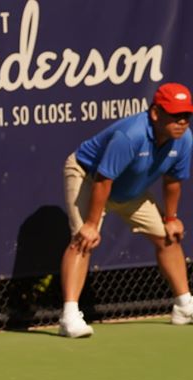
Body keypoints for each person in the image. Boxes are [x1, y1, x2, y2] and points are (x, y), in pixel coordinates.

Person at [58, 82, 193, 338]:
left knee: (168, 236)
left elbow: (173, 180)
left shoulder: (184, 140)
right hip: (88, 176)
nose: (182, 122)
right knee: (83, 239)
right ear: (156, 113)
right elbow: (103, 180)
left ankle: (184, 306)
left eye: (187, 115)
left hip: (128, 189)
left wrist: (171, 217)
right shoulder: (131, 135)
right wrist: (91, 224)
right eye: (175, 115)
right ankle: (69, 316)